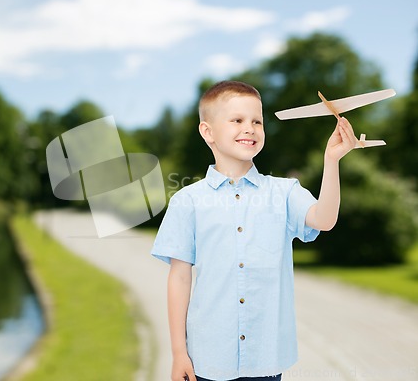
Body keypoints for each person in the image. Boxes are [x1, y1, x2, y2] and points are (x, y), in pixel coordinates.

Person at [151, 80, 358, 381]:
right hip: (207, 359)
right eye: (237, 120)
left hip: (265, 360)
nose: (249, 128)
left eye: (257, 121)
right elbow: (179, 278)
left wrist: (332, 161)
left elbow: (324, 219)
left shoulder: (285, 192)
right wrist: (179, 352)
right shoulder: (188, 201)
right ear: (207, 131)